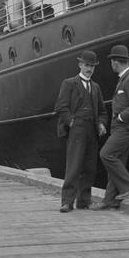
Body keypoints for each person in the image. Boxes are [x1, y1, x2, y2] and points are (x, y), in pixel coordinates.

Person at [53, 50, 107, 212]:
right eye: (87, 65)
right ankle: (67, 201)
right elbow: (61, 107)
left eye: (92, 66)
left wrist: (102, 123)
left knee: (90, 166)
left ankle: (84, 200)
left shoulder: (95, 87)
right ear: (80, 65)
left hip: (92, 129)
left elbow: (103, 111)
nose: (89, 69)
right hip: (77, 128)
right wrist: (71, 122)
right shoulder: (69, 83)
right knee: (74, 165)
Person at [96, 44, 129, 210]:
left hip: (127, 127)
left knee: (106, 154)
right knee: (117, 162)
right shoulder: (126, 78)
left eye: (112, 62)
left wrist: (121, 116)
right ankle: (109, 200)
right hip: (122, 128)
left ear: (114, 63)